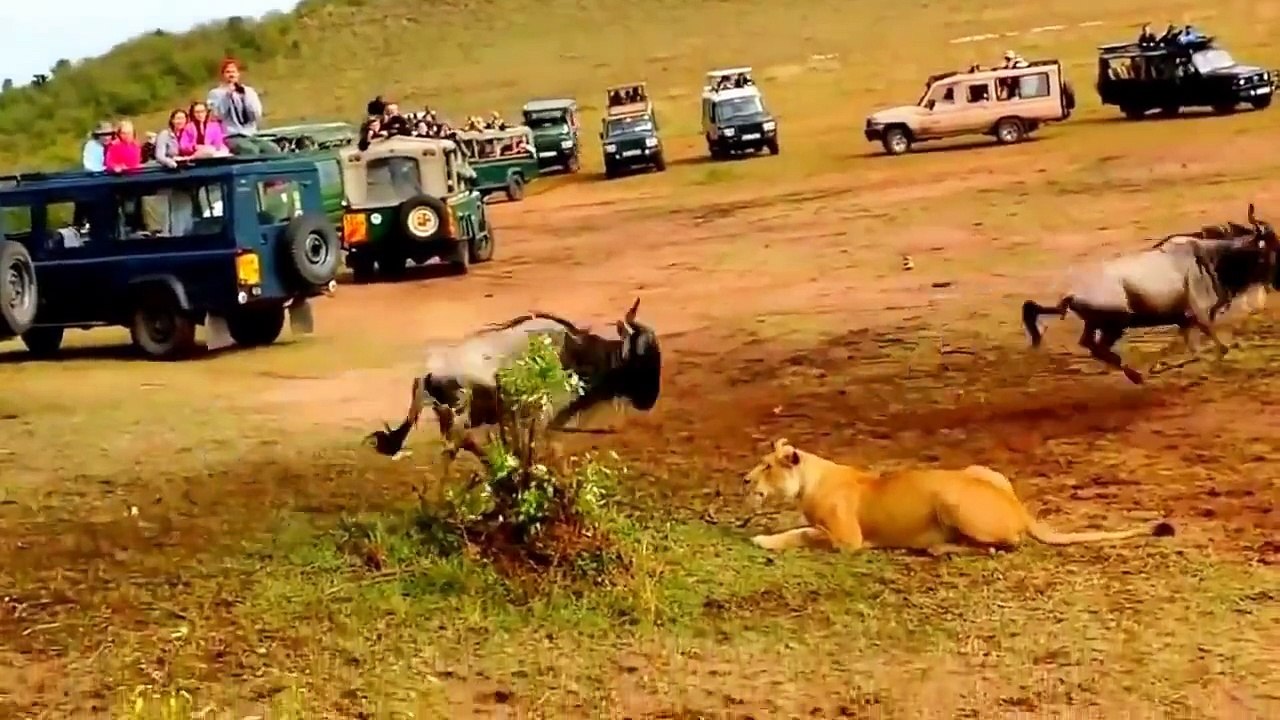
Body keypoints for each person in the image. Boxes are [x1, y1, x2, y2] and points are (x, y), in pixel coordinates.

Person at [206, 58, 277, 156]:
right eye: (228, 72)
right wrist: (227, 98)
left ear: (238, 74)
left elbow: (256, 114)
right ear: (223, 75)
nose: (231, 75)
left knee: (271, 149)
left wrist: (245, 97)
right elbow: (218, 116)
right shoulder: (215, 93)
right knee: (250, 150)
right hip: (230, 135)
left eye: (234, 72)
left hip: (250, 134)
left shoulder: (249, 91)